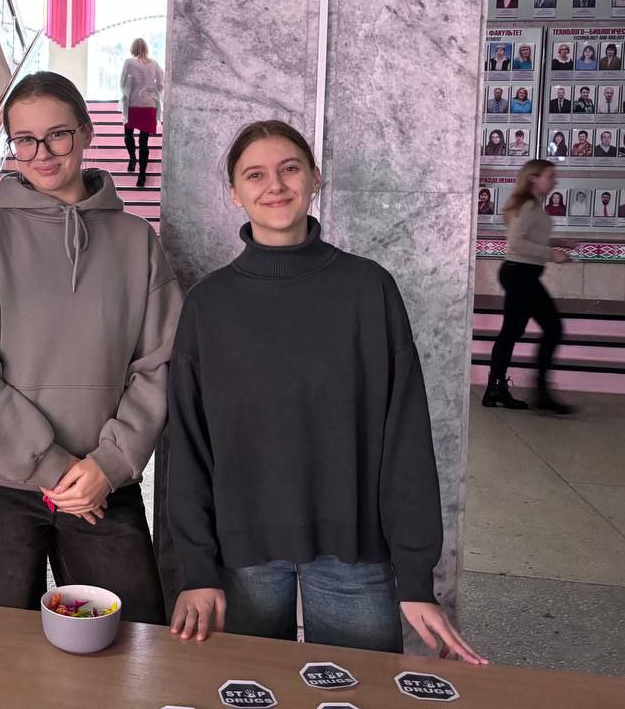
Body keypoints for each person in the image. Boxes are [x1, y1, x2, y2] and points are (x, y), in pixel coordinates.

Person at [165, 120, 486, 664]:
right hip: (240, 558)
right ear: (234, 192)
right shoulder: (208, 305)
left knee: (357, 694)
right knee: (245, 695)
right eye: (255, 174)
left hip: (354, 553)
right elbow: (189, 446)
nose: (275, 185)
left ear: (315, 178)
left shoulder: (368, 289)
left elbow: (405, 439)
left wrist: (414, 578)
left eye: (289, 169)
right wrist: (197, 569)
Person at [0, 71, 181, 628]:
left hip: (103, 481)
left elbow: (159, 362)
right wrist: (51, 464)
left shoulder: (137, 242)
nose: (42, 153)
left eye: (57, 135)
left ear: (86, 131)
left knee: (131, 642)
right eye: (25, 140)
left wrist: (109, 464)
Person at [486, 160, 574, 415]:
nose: (554, 180)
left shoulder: (531, 204)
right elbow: (515, 243)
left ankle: (495, 389)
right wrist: (551, 253)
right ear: (534, 177)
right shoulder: (528, 205)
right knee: (553, 328)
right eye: (550, 176)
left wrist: (557, 242)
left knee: (511, 331)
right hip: (520, 275)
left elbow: (527, 238)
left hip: (519, 274)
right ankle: (540, 393)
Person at [118, 38, 164, 188]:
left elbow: (122, 83)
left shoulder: (128, 62)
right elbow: (161, 84)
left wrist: (128, 92)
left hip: (133, 103)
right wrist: (151, 90)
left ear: (133, 49)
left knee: (128, 134)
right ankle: (142, 176)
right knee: (144, 142)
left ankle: (132, 159)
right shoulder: (155, 64)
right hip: (149, 105)